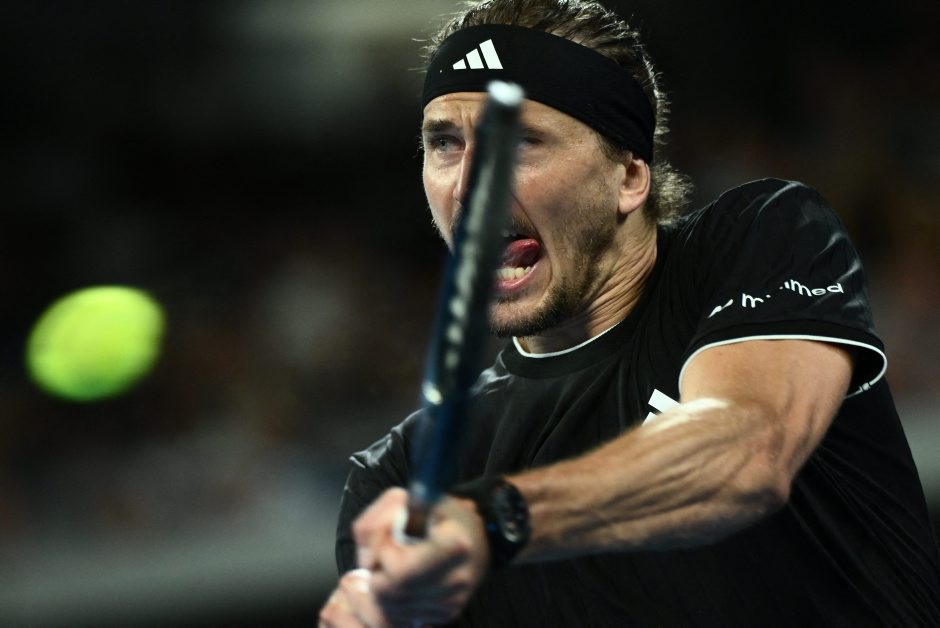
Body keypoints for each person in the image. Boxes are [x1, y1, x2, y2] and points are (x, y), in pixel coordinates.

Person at [319, 1, 940, 625]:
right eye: (445, 144)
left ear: (629, 177)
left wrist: (493, 521)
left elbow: (747, 449)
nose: (469, 186)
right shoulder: (399, 477)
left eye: (520, 142)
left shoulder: (760, 239)